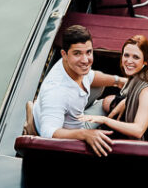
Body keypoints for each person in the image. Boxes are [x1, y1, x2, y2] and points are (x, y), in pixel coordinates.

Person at [80, 34, 148, 153]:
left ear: (145, 61)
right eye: (126, 55)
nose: (129, 61)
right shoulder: (146, 77)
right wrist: (126, 101)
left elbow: (138, 130)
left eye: (135, 57)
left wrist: (104, 120)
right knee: (108, 101)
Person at [32, 24, 125, 157]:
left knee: (99, 85)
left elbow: (92, 76)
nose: (85, 60)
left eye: (89, 52)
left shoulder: (73, 66)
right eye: (77, 53)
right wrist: (84, 134)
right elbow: (48, 133)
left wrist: (119, 81)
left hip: (68, 107)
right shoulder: (56, 92)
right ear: (64, 54)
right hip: (71, 128)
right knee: (110, 103)